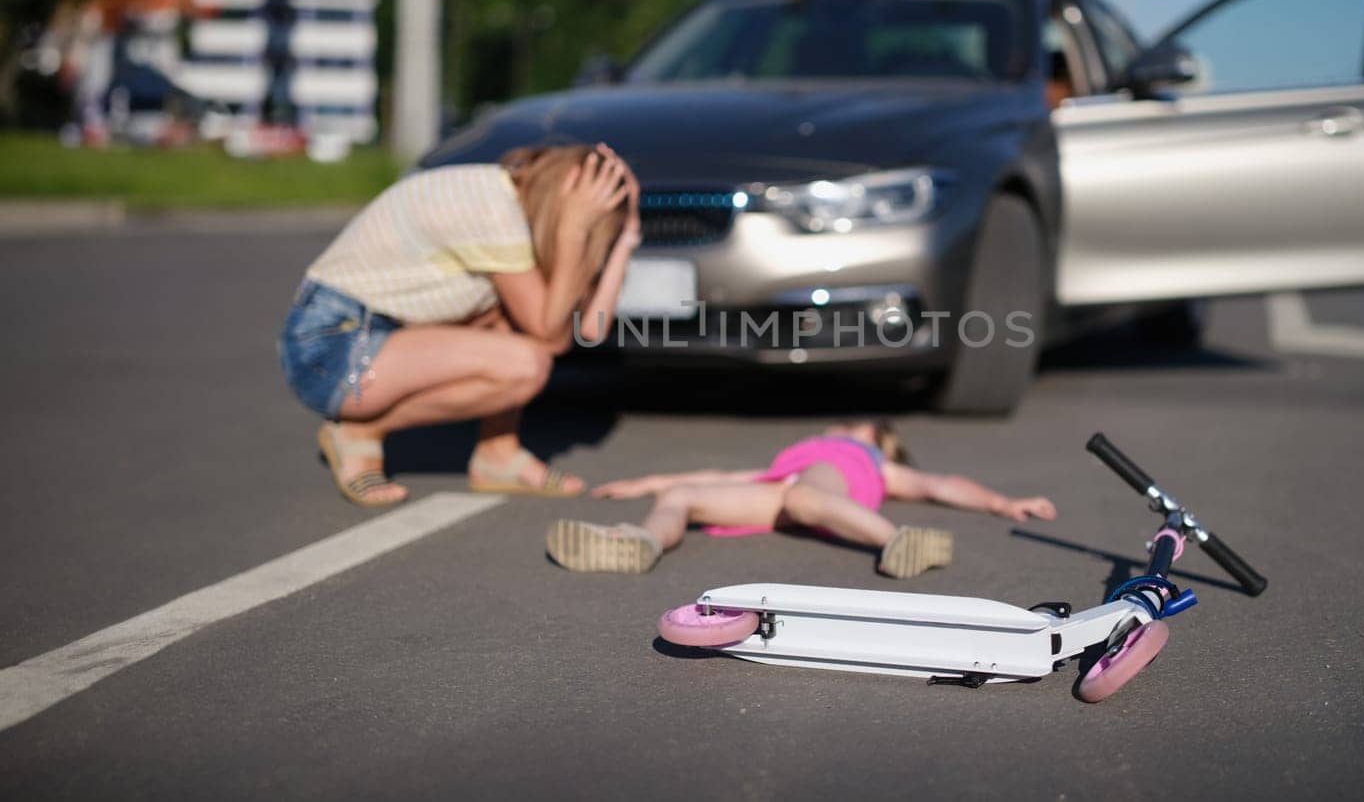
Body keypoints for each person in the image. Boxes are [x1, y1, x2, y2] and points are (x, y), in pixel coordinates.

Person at [277, 143, 639, 507]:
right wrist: (574, 233)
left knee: (519, 323)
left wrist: (626, 238)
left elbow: (588, 330)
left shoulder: (519, 207)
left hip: (377, 338)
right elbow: (552, 334)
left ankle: (498, 456)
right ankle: (359, 431)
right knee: (526, 364)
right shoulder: (495, 212)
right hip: (332, 351)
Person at [546, 421, 1057, 578]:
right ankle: (641, 541)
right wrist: (648, 484)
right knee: (685, 495)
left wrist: (1000, 503)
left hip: (825, 486)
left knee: (809, 497)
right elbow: (726, 474)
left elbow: (938, 484)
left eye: (864, 428)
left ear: (876, 442)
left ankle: (899, 540)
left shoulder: (866, 457)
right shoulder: (801, 456)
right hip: (785, 492)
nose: (848, 425)